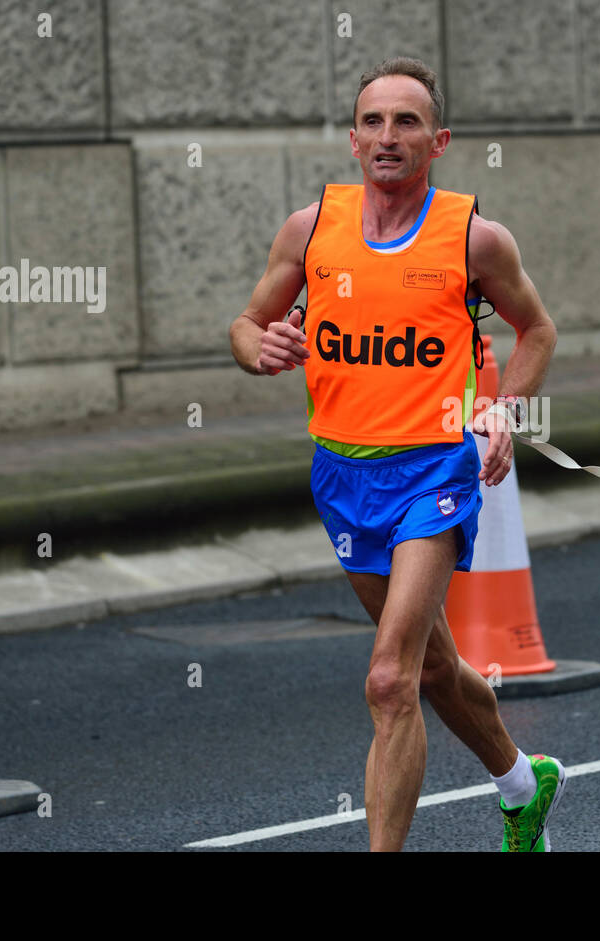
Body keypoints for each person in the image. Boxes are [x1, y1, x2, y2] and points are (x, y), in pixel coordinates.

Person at [229, 57, 562, 852]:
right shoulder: (311, 228)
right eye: (374, 121)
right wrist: (261, 345)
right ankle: (523, 782)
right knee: (433, 669)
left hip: (434, 471)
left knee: (389, 678)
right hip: (343, 474)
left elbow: (538, 330)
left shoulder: (474, 236)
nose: (389, 135)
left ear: (438, 140)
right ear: (352, 140)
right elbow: (245, 322)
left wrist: (499, 411)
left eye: (407, 121)